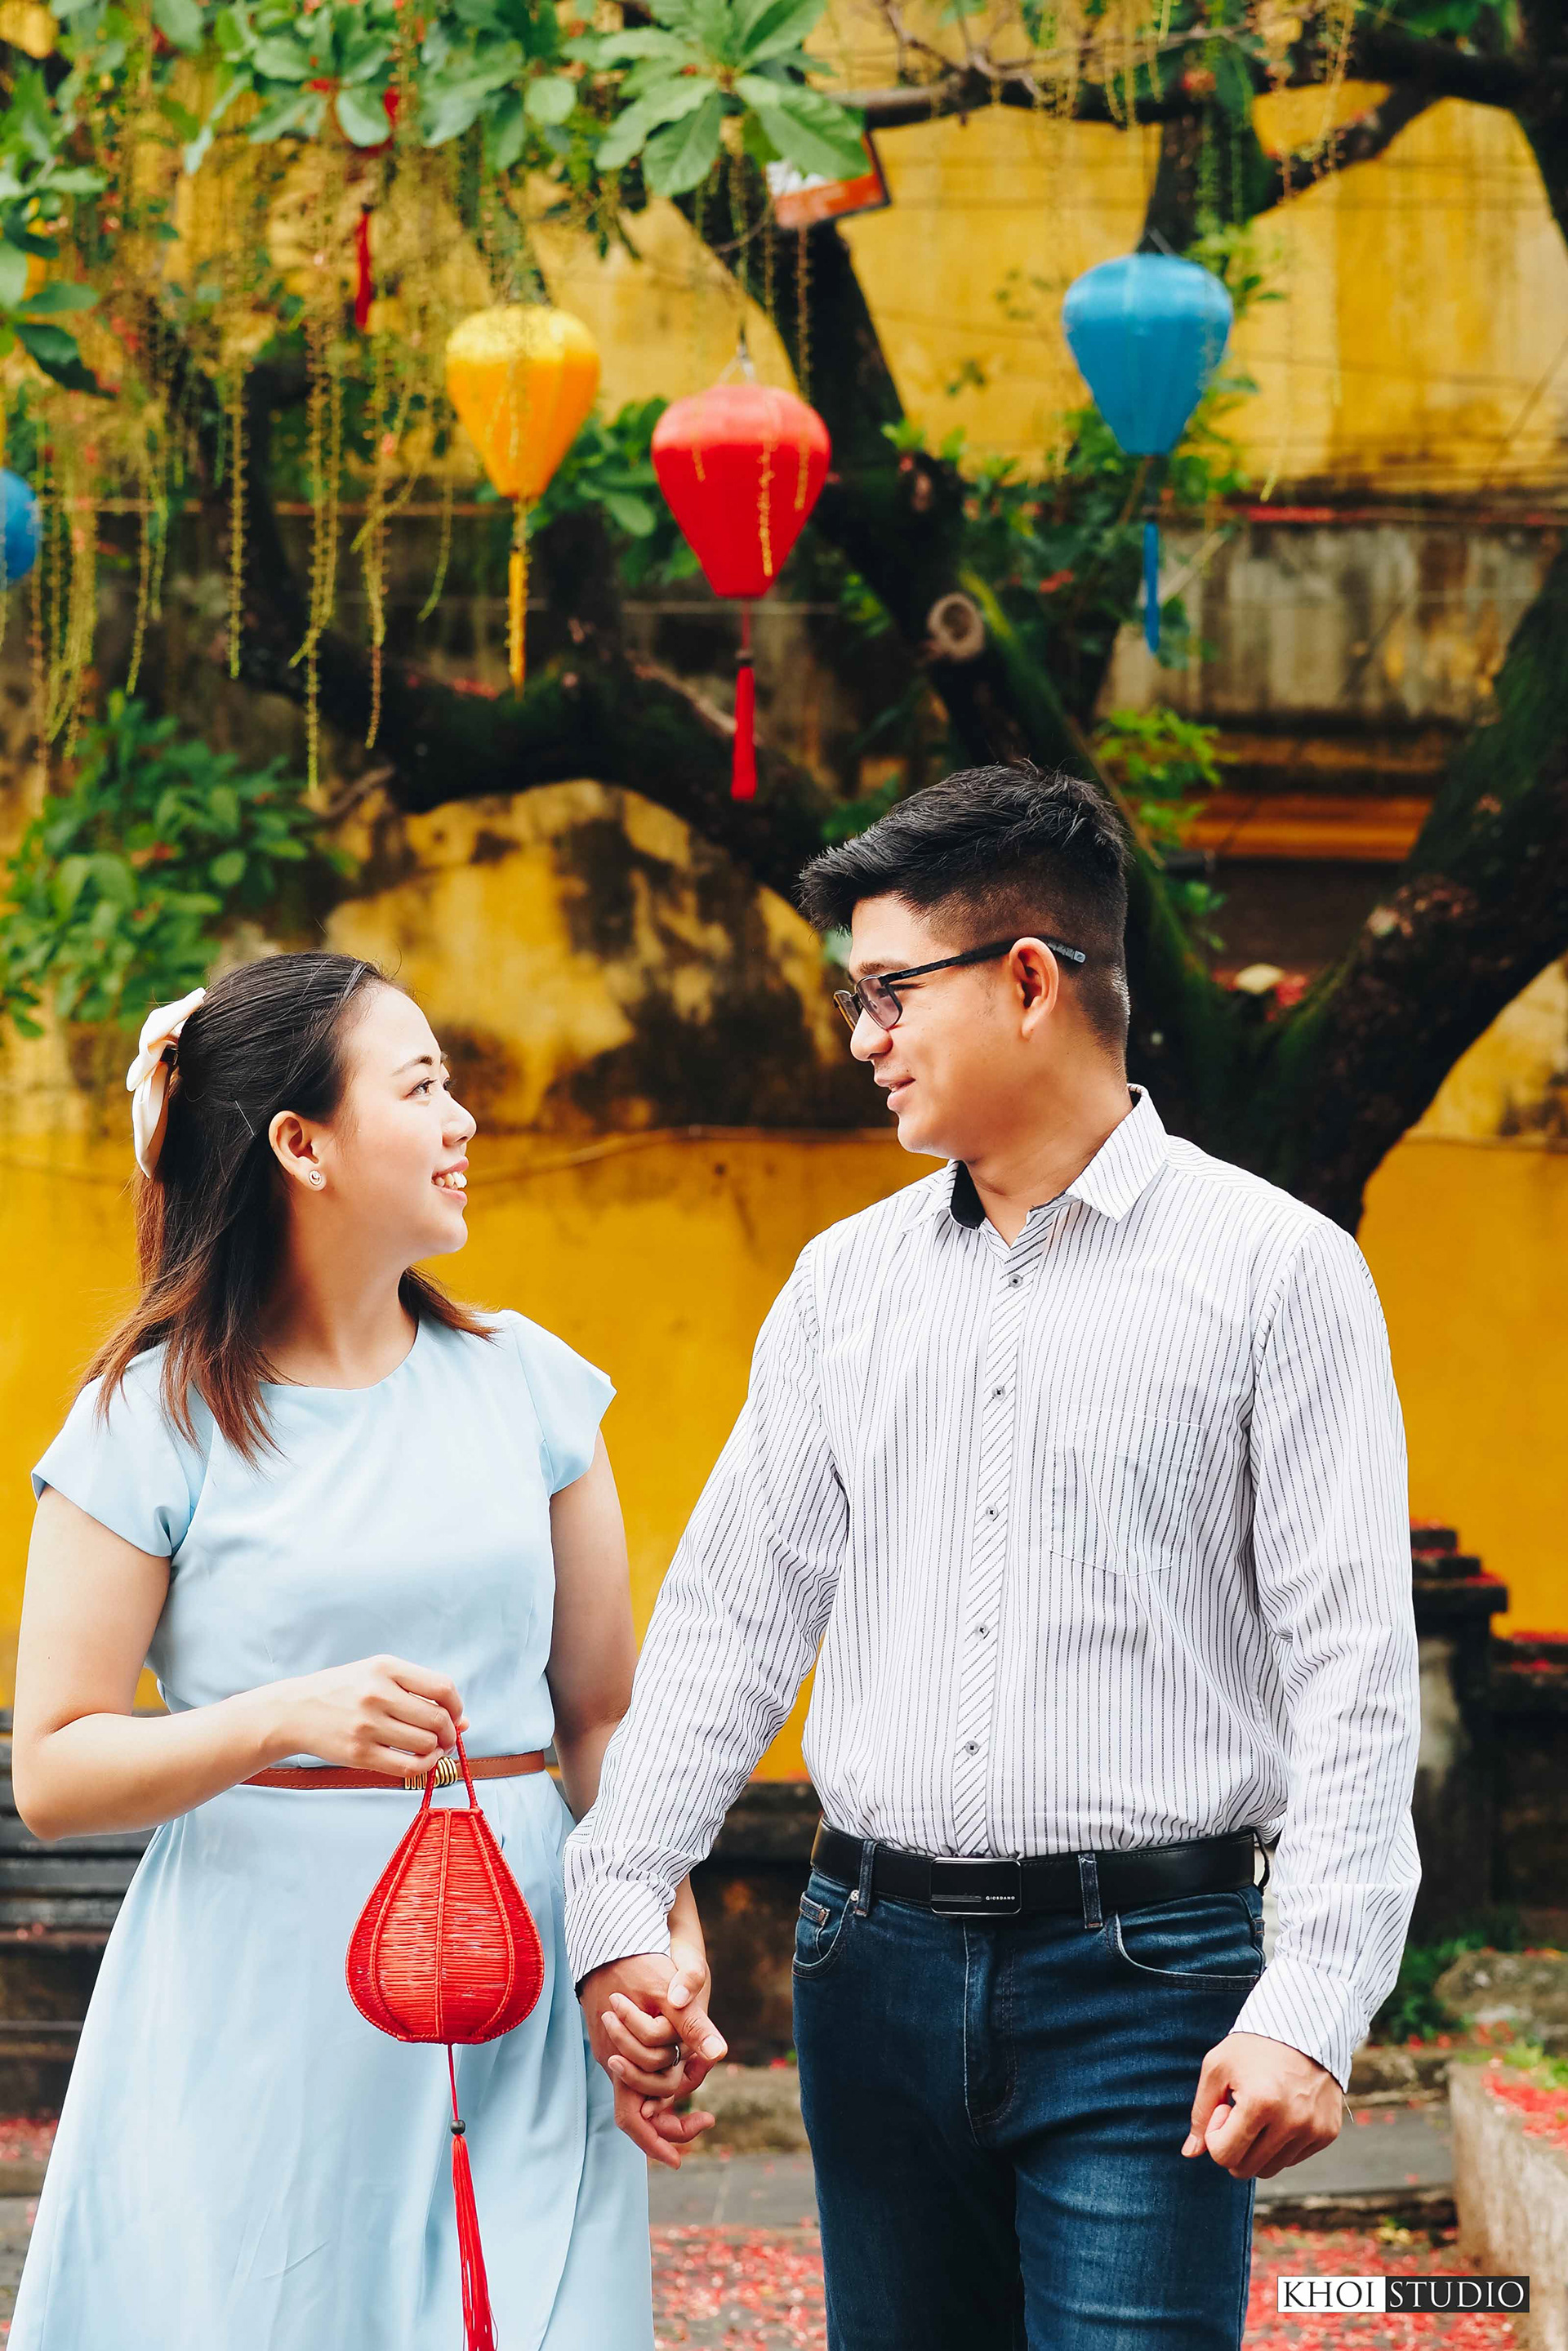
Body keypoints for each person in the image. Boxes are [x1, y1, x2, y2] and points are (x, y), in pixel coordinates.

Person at [564, 765, 1423, 2350]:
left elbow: (1352, 1672)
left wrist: (1313, 2004)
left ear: (1030, 977)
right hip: (866, 1969)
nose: (861, 1036)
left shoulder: (1277, 1274)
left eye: (890, 991)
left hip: (1149, 1982)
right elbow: (738, 1616)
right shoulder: (842, 1289)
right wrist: (620, 1891)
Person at [10, 951, 722, 2350]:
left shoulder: (531, 1387)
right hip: (257, 2000)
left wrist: (658, 1929)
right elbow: (55, 1766)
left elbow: (600, 1720)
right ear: (302, 1144)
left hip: (517, 1982)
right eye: (423, 1087)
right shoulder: (145, 1418)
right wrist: (282, 1717)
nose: (464, 1120)